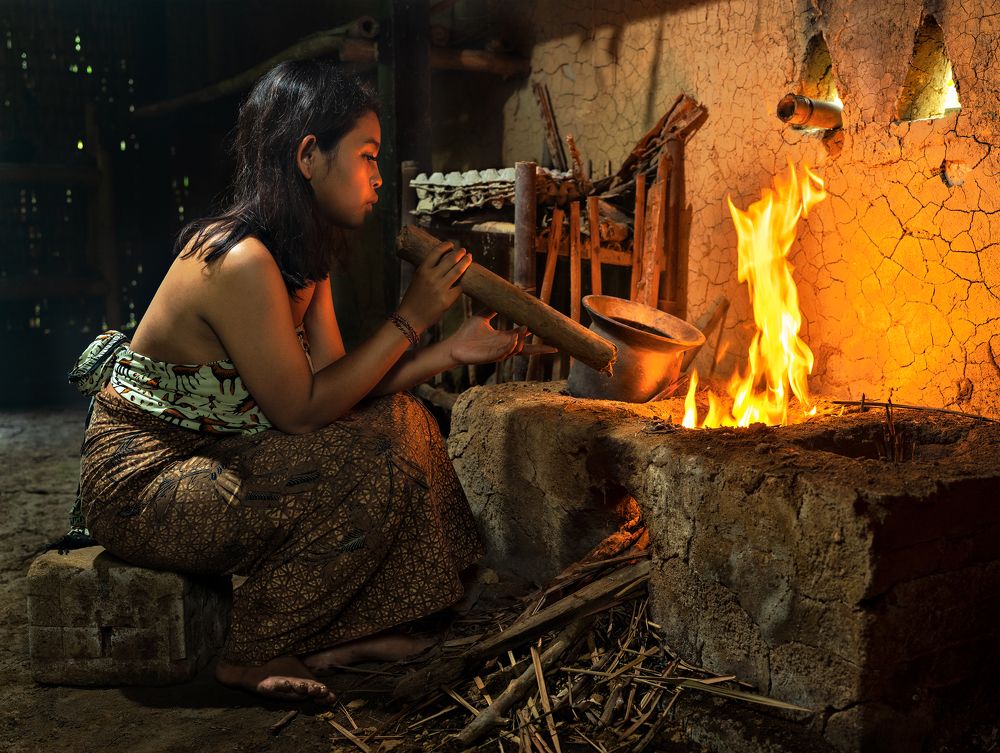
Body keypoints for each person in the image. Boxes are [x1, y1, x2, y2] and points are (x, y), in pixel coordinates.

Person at [69, 60, 550, 704]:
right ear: (308, 155)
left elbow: (338, 387)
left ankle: (363, 627)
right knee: (361, 459)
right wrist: (411, 316)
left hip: (218, 452)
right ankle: (254, 651)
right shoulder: (240, 260)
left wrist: (450, 348)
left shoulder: (302, 258)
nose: (378, 176)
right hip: (144, 478)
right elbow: (301, 414)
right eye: (368, 156)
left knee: (403, 421)